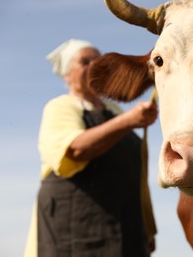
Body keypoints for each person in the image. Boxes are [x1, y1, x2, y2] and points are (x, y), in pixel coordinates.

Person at [24, 39, 158, 257]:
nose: (93, 66)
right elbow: (75, 150)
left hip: (125, 227)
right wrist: (129, 121)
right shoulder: (61, 106)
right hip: (75, 227)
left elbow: (136, 175)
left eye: (98, 60)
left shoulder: (115, 110)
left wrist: (146, 227)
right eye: (85, 61)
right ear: (67, 75)